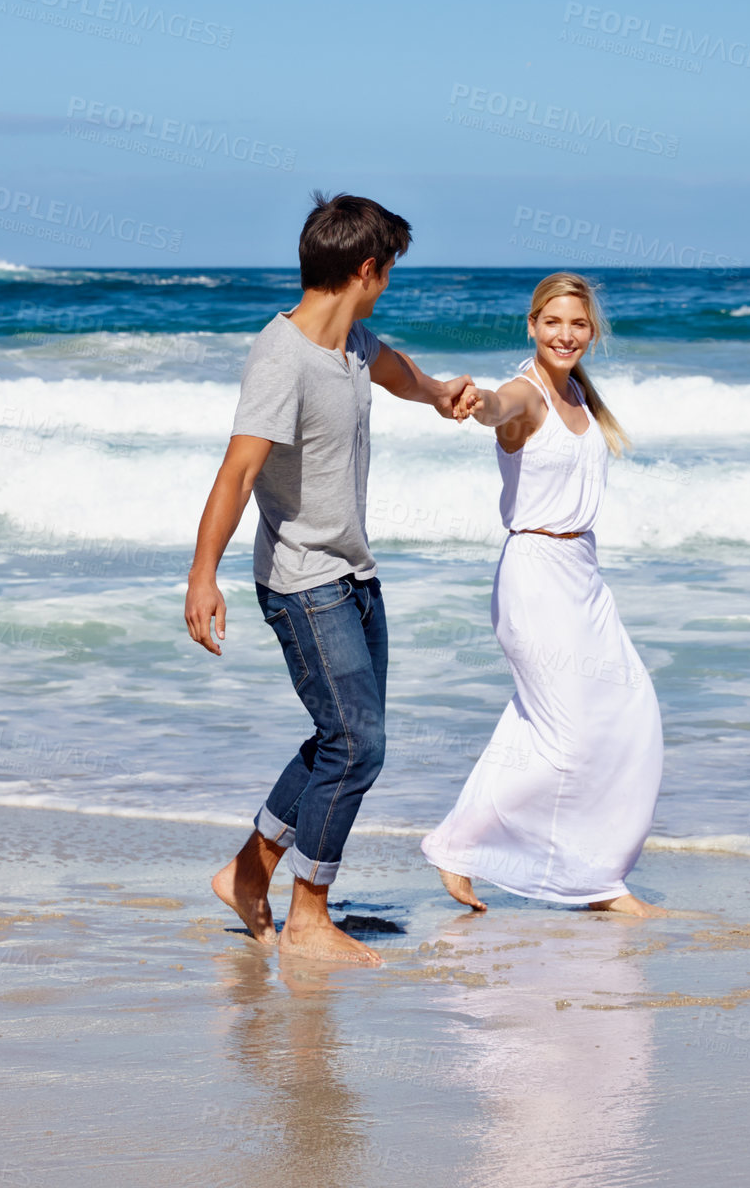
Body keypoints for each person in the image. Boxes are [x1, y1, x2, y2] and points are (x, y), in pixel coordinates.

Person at [185, 192, 473, 966]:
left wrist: (440, 392)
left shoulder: (348, 344)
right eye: (388, 275)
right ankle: (309, 916)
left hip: (351, 574)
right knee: (357, 745)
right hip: (302, 581)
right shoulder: (282, 358)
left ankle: (246, 875)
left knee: (338, 739)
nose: (387, 288)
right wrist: (201, 577)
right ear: (366, 271)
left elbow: (393, 369)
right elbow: (237, 470)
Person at [422, 271, 665, 917]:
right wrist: (479, 405)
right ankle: (459, 842)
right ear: (531, 326)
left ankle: (597, 877)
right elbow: (500, 409)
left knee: (629, 714)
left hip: (583, 574)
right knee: (569, 737)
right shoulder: (524, 395)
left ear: (591, 332)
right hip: (534, 577)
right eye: (552, 322)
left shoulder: (581, 398)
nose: (565, 334)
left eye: (577, 324)